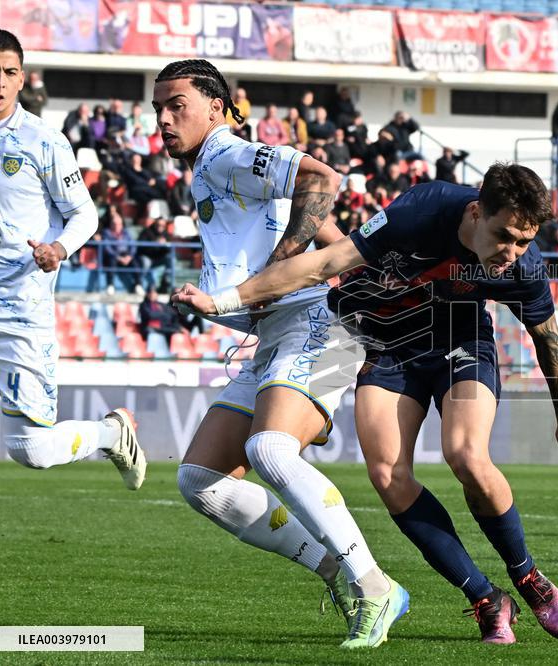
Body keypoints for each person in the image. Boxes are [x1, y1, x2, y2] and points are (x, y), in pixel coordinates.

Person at [173, 163, 558, 645]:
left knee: (467, 455)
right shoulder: (422, 209)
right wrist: (222, 302)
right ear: (475, 212)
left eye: (524, 242)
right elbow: (325, 263)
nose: (511, 253)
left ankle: (526, 574)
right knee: (387, 475)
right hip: (385, 349)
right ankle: (486, 598)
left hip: (461, 343)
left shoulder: (523, 269)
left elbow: (547, 337)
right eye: (504, 236)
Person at [151, 58, 407, 648]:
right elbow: (312, 221)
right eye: (158, 108)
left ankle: (375, 586)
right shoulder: (207, 168)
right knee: (201, 479)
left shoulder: (224, 152)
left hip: (320, 322)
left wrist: (275, 272)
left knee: (269, 448)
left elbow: (322, 178)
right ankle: (333, 567)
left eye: (177, 106)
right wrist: (353, 264)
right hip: (280, 331)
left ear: (216, 108)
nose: (163, 119)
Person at [0, 29, 144, 488]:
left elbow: (84, 214)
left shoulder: (42, 141)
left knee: (30, 449)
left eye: (9, 72)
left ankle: (111, 433)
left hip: (18, 314)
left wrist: (58, 249)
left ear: (22, 79)